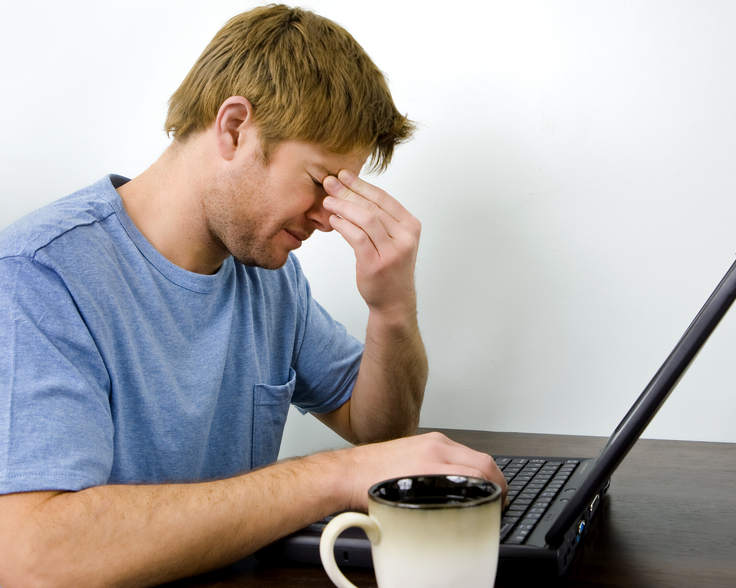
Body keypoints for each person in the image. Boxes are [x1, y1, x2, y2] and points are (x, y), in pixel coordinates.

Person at [0, 5, 506, 587]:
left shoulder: (268, 275)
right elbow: (35, 558)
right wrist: (333, 475)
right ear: (234, 128)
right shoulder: (39, 276)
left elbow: (375, 432)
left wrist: (392, 310)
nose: (328, 218)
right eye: (319, 182)